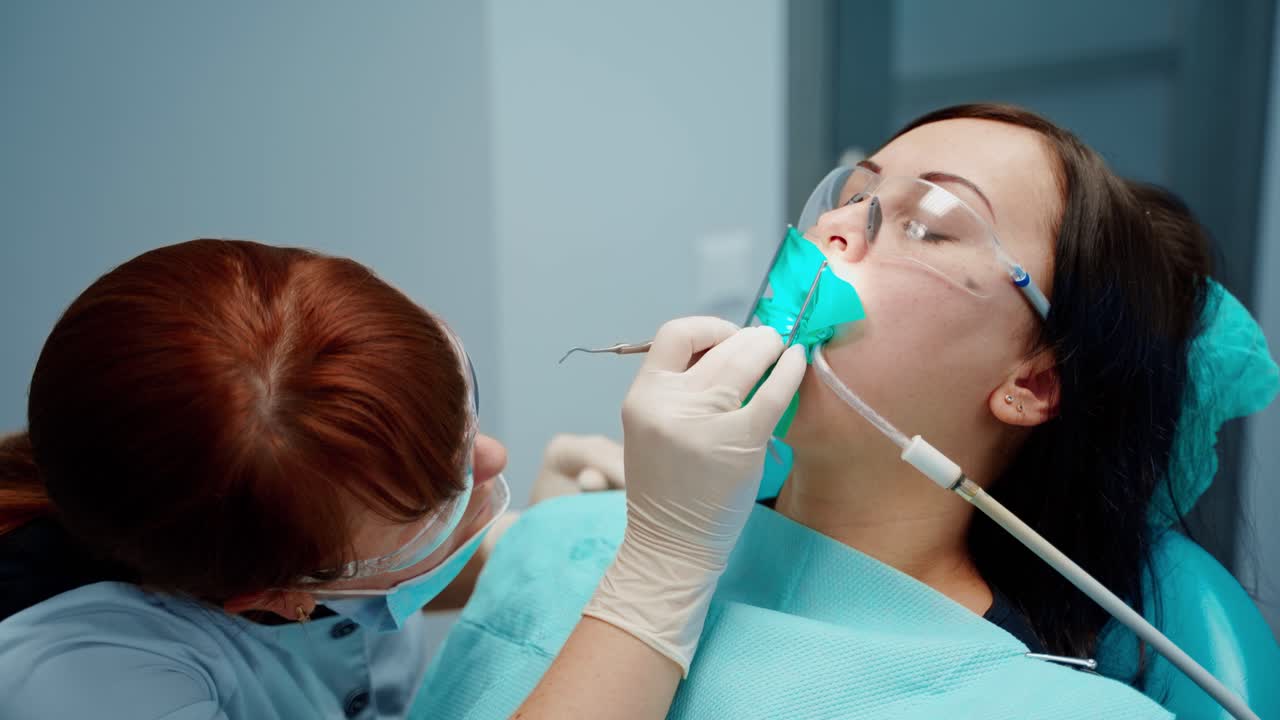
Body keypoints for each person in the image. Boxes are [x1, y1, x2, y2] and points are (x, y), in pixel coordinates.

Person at [411, 104, 1280, 719]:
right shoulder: (582, 541)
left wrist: (654, 563)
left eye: (930, 224)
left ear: (1034, 384)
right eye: (852, 195)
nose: (836, 231)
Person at [0, 238, 807, 719]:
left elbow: (375, 596)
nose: (491, 462)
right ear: (272, 596)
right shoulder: (78, 680)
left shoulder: (288, 525)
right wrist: (661, 566)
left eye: (465, 421)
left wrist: (543, 544)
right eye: (432, 504)